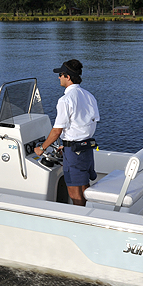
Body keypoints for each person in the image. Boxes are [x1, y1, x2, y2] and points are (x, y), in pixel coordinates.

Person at [35, 59, 99, 206]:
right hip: (87, 149)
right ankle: (87, 217)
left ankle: (80, 224)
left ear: (68, 77)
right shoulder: (89, 96)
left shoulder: (65, 100)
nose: (59, 77)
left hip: (74, 153)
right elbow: (88, 125)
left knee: (74, 194)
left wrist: (41, 149)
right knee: (84, 186)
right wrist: (67, 144)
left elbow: (57, 131)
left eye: (61, 74)